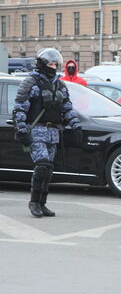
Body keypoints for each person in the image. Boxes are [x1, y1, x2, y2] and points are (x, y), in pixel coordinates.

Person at [12, 48, 82, 217]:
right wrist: (21, 130)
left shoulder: (60, 84)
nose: (52, 66)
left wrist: (76, 125)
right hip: (36, 130)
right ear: (42, 64)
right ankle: (34, 202)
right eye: (50, 63)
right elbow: (20, 108)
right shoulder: (31, 82)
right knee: (42, 165)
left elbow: (67, 108)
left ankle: (43, 203)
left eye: (55, 64)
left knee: (49, 169)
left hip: (53, 132)